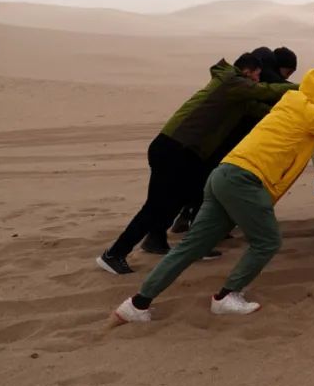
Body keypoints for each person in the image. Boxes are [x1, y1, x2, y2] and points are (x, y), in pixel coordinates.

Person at [111, 68, 314, 322]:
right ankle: (226, 296)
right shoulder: (307, 111)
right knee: (267, 241)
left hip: (223, 175)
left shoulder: (290, 105)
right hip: (245, 181)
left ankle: (137, 304)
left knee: (190, 247)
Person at [96, 53, 296, 275]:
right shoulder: (230, 82)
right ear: (247, 71)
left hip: (181, 151)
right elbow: (266, 91)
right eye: (257, 75)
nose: (258, 80)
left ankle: (162, 242)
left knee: (182, 199)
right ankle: (114, 254)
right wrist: (304, 87)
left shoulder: (238, 96)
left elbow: (265, 111)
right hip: (174, 148)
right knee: (156, 207)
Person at [170, 46, 299, 235]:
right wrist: (305, 88)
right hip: (229, 140)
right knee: (214, 180)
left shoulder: (253, 76)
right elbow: (273, 88)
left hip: (219, 139)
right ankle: (202, 228)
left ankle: (189, 218)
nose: (285, 78)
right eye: (287, 72)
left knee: (205, 178)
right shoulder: (259, 78)